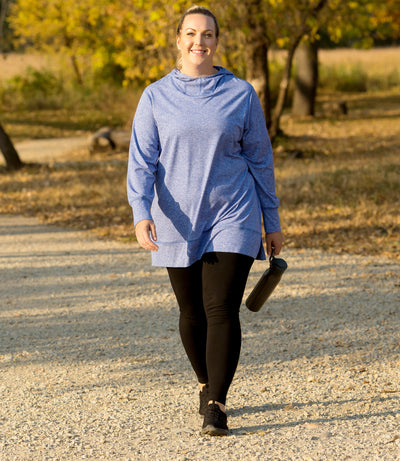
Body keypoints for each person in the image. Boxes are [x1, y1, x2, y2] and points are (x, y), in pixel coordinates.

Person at [127, 5, 283, 436]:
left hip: (234, 211)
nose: (200, 42)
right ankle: (203, 380)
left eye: (208, 34)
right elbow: (141, 162)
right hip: (176, 216)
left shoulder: (241, 93)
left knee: (220, 308)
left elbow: (260, 160)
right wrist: (141, 213)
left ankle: (217, 402)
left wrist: (271, 221)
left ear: (218, 40)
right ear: (178, 40)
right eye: (192, 34)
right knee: (191, 310)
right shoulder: (155, 96)